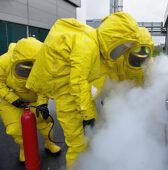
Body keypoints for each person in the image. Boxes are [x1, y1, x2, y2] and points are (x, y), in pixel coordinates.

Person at [26, 12, 140, 167]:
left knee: (89, 141)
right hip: (69, 101)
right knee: (78, 146)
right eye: (122, 45)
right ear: (113, 37)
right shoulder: (87, 44)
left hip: (79, 100)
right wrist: (88, 117)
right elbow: (77, 82)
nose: (121, 50)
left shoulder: (99, 48)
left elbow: (102, 75)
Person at [0, 38, 61, 162]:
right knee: (16, 128)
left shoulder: (44, 65)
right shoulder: (3, 61)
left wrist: (42, 103)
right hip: (11, 102)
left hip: (34, 99)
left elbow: (43, 85)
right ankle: (24, 149)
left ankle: (49, 143)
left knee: (44, 121)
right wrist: (12, 99)